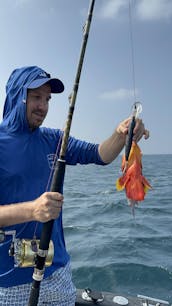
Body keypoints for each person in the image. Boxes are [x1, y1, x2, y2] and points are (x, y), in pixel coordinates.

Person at [0, 66, 149, 305]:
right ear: (18, 95)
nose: (43, 106)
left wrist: (122, 134)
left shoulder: (55, 139)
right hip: (9, 283)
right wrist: (32, 210)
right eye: (36, 97)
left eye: (47, 99)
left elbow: (99, 154)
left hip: (57, 273)